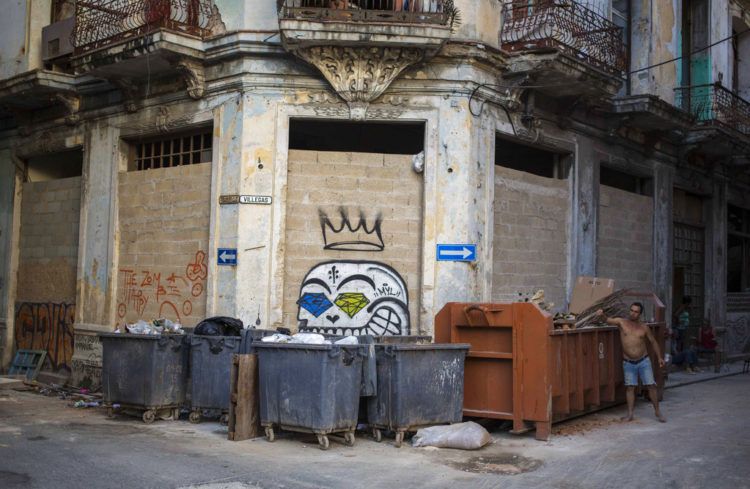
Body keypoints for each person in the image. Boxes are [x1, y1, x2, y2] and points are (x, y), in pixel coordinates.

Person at [597, 302, 666, 423]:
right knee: (630, 388)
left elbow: (653, 342)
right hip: (628, 362)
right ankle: (630, 414)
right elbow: (608, 320)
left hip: (644, 361)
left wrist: (660, 357)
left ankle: (657, 412)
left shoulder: (644, 327)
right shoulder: (621, 322)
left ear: (640, 314)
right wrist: (601, 315)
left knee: (651, 386)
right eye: (632, 310)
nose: (633, 313)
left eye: (636, 312)